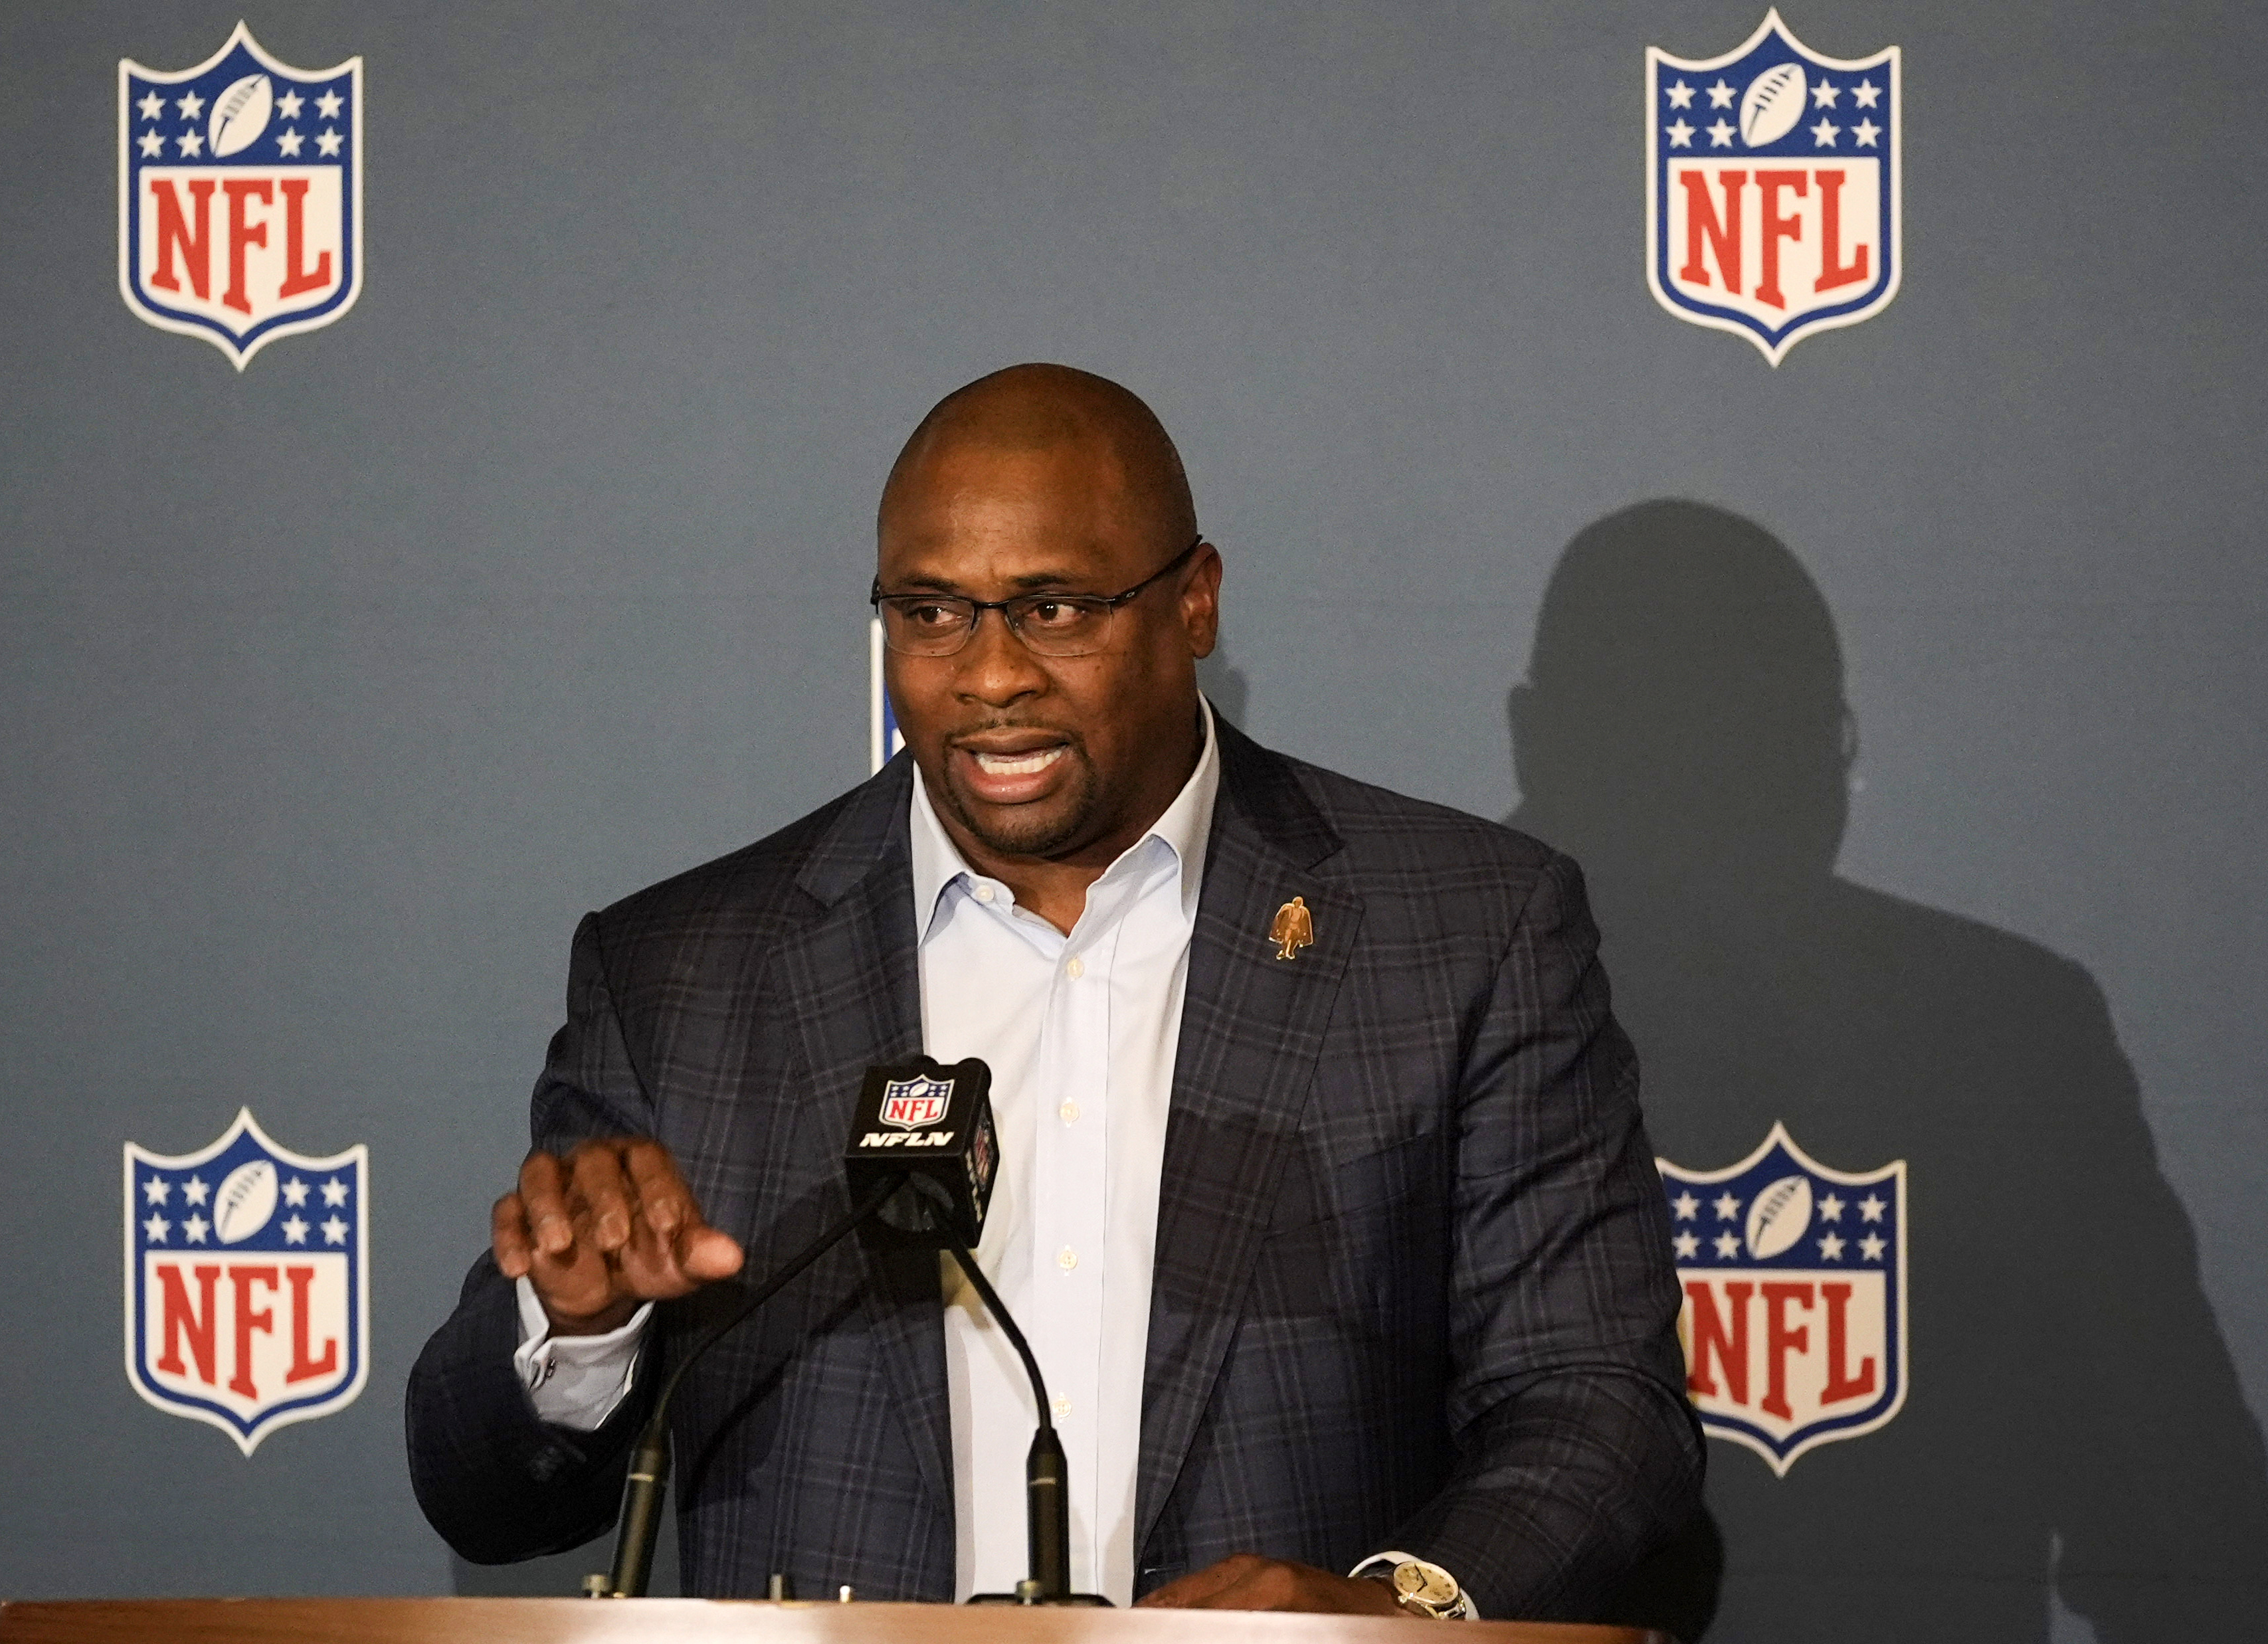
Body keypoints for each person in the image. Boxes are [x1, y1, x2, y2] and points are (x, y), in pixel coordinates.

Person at [405, 364, 1700, 1617]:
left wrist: (1393, 1610)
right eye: (930, 612)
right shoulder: (683, 972)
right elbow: (483, 1490)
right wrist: (577, 1319)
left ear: (1195, 601)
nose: (989, 673)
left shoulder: (1461, 930)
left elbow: (1596, 1400)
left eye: (1055, 607)